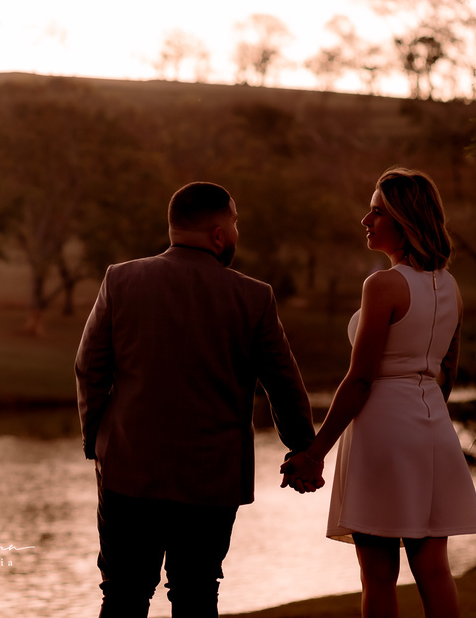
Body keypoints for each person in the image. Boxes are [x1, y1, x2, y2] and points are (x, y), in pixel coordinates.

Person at [75, 181, 319, 618]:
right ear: (219, 234)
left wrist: (99, 441)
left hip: (128, 469)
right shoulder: (253, 296)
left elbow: (89, 368)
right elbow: (281, 381)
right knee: (196, 593)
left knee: (124, 594)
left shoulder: (121, 279)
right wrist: (302, 446)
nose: (236, 234)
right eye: (235, 224)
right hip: (213, 475)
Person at [283, 168, 476, 618]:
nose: (365, 220)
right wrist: (426, 418)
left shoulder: (383, 285)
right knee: (435, 570)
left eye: (377, 211)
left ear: (405, 219)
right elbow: (445, 373)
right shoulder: (449, 286)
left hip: (383, 430)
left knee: (377, 575)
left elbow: (360, 379)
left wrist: (316, 451)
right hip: (433, 427)